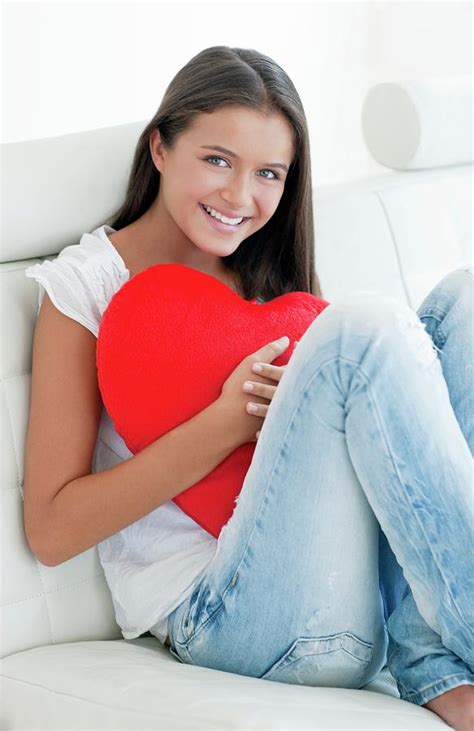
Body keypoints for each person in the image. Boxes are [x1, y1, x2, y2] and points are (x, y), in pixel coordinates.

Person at [23, 46, 473, 730]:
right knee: (364, 330)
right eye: (217, 159)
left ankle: (431, 656)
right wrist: (228, 421)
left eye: (268, 173)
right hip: (227, 613)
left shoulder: (267, 273)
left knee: (466, 301)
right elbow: (52, 531)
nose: (240, 197)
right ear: (160, 148)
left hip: (348, 593)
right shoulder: (85, 287)